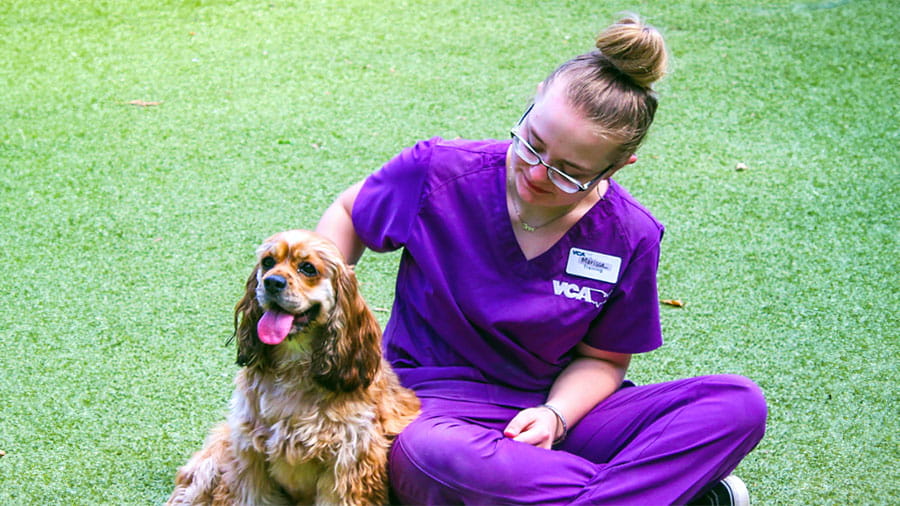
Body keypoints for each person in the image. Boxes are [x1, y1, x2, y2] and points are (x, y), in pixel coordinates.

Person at [316, 15, 766, 506]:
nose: (536, 171)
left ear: (618, 166)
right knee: (428, 456)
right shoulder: (439, 170)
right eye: (532, 142)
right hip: (431, 407)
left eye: (570, 171)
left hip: (557, 414)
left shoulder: (630, 234)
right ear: (532, 101)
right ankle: (654, 494)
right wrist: (326, 312)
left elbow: (603, 359)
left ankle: (551, 486)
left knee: (736, 404)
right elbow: (349, 214)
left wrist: (555, 415)